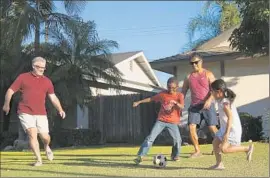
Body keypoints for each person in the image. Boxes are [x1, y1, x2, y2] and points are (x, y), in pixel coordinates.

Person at [2, 57, 66, 166]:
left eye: (43, 68)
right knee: (32, 134)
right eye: (39, 67)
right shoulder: (23, 77)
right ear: (33, 66)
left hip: (41, 113)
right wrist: (6, 104)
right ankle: (39, 160)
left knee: (45, 136)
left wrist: (60, 109)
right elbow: (10, 91)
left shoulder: (47, 81)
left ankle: (46, 146)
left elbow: (53, 97)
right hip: (25, 111)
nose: (41, 69)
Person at [133, 77, 184, 164]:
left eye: (173, 88)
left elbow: (182, 106)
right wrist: (139, 102)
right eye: (169, 87)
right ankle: (140, 156)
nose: (170, 89)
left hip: (173, 122)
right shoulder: (162, 94)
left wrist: (176, 103)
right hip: (161, 120)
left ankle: (175, 155)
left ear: (177, 87)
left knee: (177, 140)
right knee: (150, 138)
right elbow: (151, 99)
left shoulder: (179, 95)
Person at [210, 79, 254, 170]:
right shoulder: (220, 99)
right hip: (224, 128)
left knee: (224, 149)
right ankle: (219, 164)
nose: (211, 93)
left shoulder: (225, 103)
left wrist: (226, 134)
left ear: (219, 91)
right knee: (215, 143)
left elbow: (230, 118)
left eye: (212, 91)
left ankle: (247, 148)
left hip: (232, 129)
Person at [181, 53, 218, 158]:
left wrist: (209, 100)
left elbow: (214, 89)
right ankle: (197, 151)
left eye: (196, 62)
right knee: (192, 127)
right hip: (194, 107)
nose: (194, 65)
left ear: (201, 62)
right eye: (191, 63)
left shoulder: (208, 74)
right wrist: (179, 103)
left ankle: (218, 147)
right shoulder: (188, 77)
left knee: (212, 127)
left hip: (207, 105)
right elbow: (183, 92)